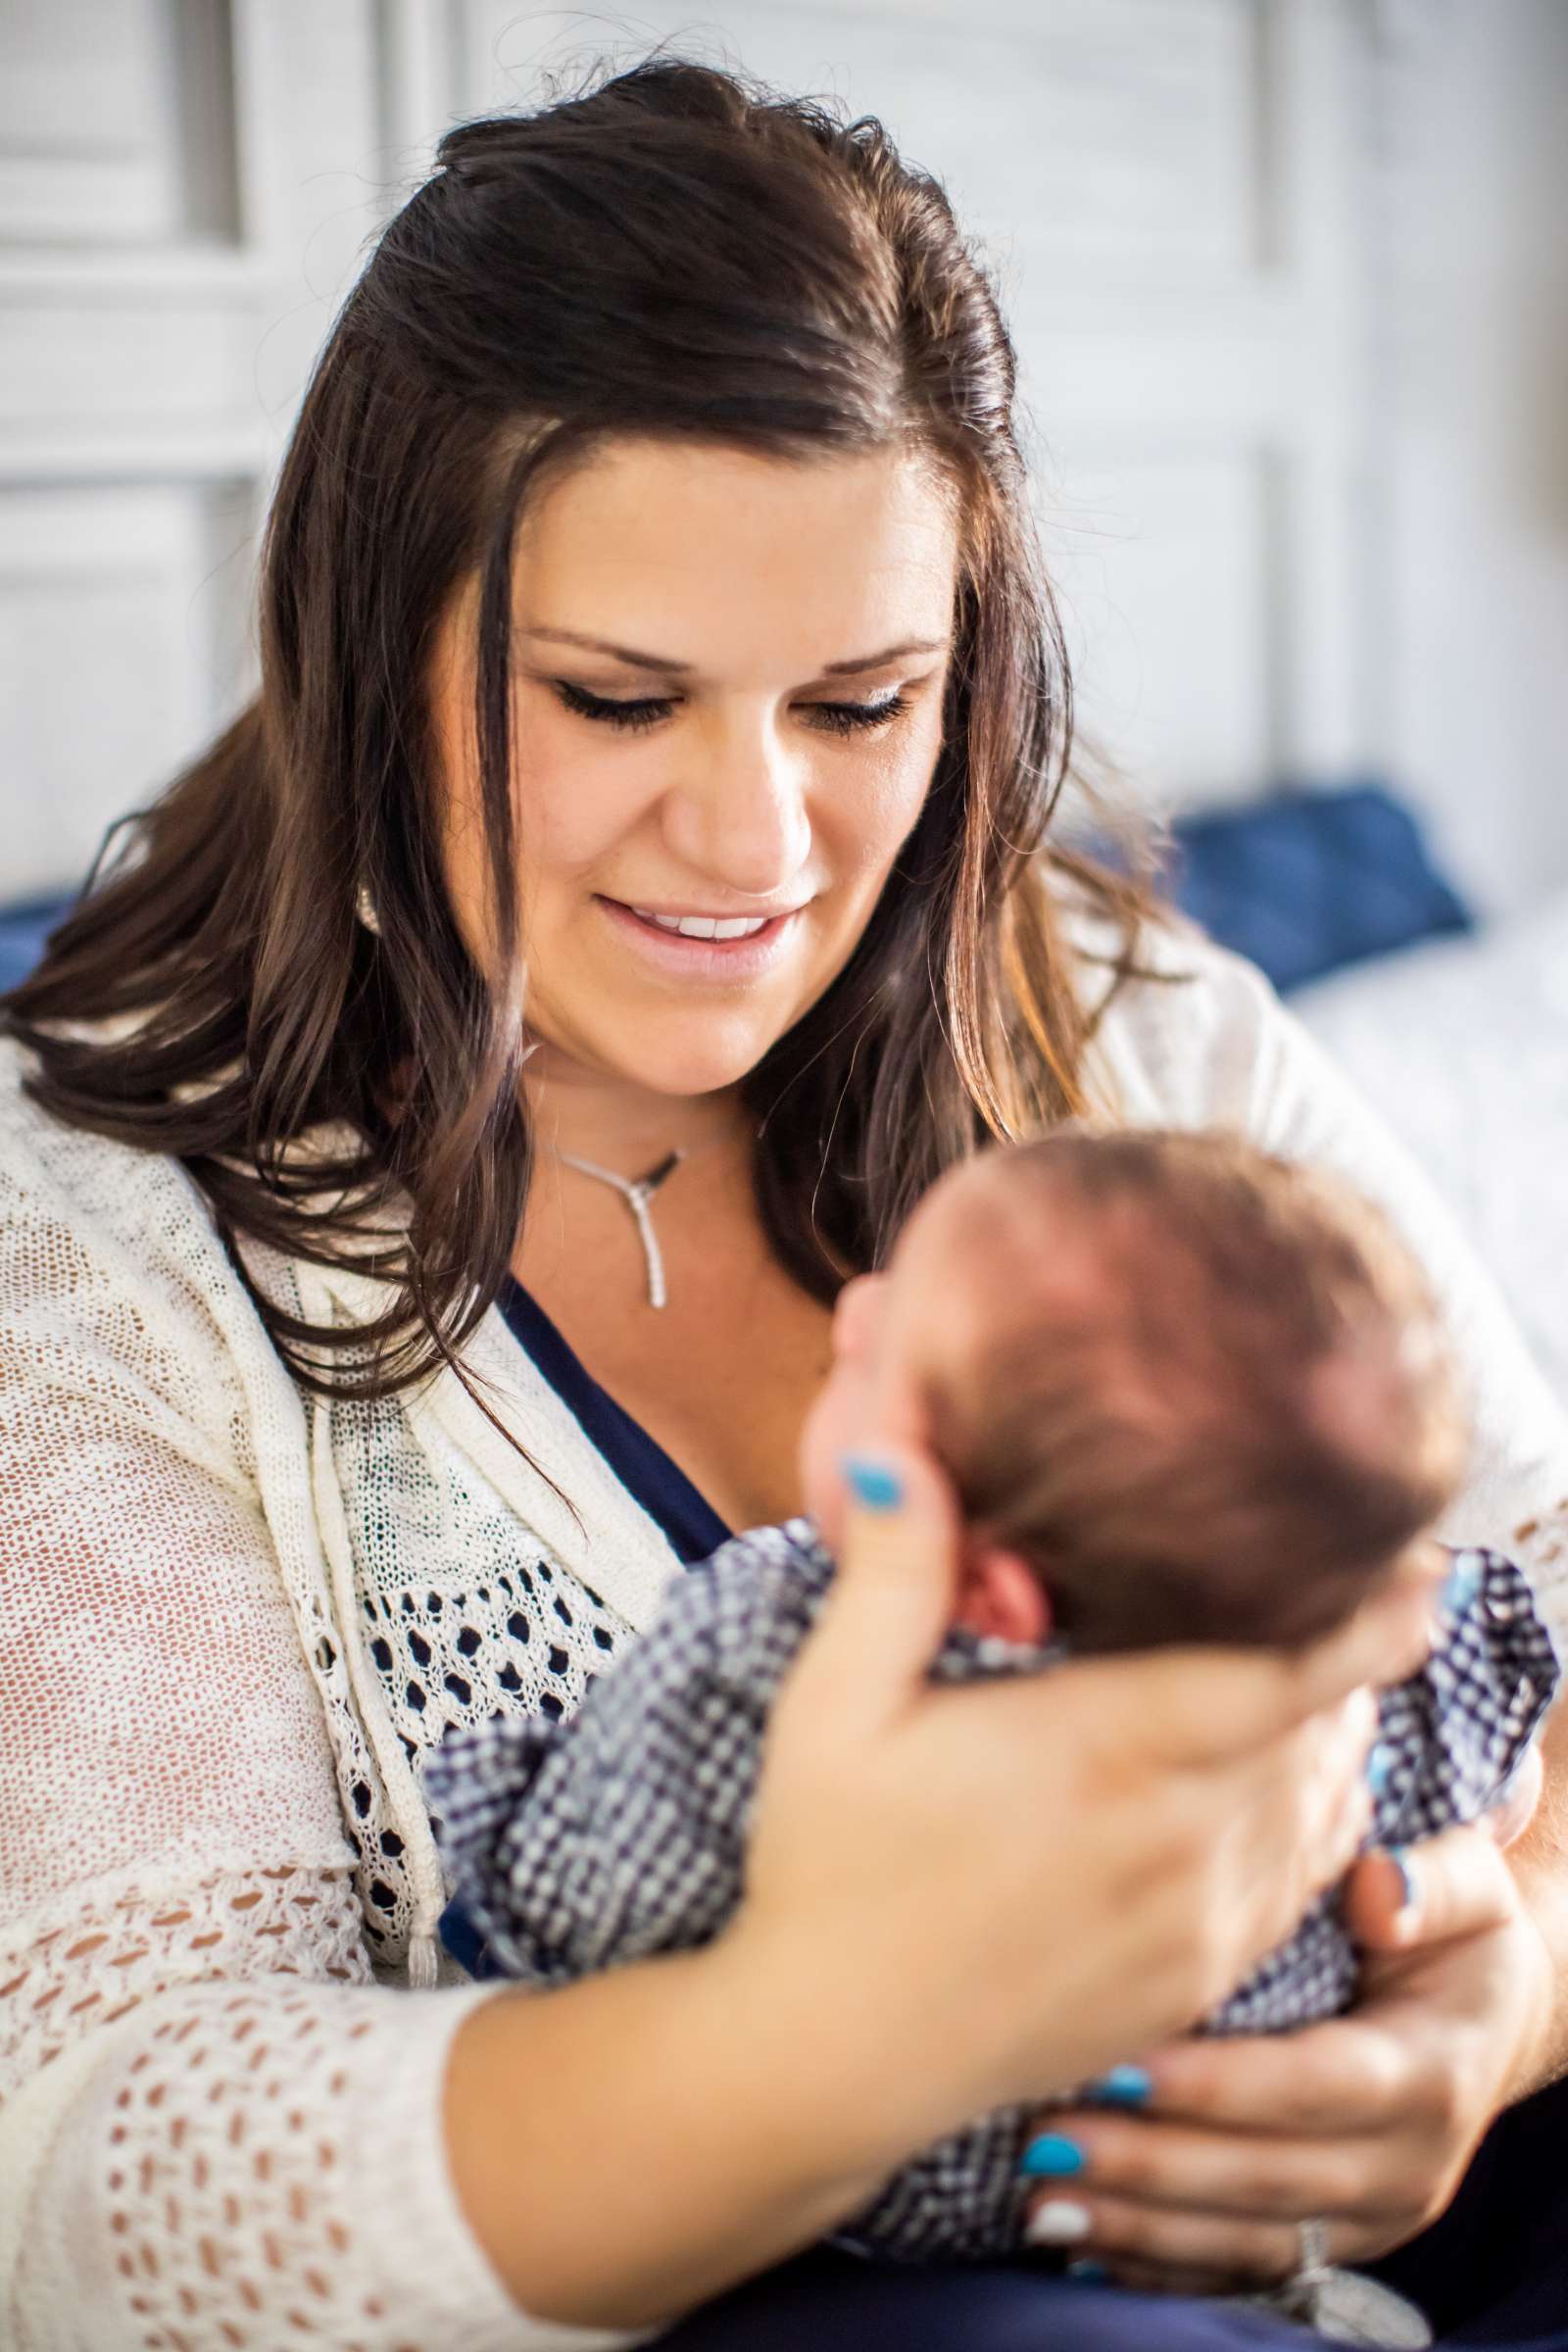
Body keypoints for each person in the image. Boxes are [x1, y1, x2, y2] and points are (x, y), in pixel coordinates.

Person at [2, 55, 1566, 2352]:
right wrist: (850, 2035)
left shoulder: (1135, 1028)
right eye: (618, 696)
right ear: (367, 657)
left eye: (858, 702)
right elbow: (96, 2185)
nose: (750, 851)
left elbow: (1528, 1585)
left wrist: (1496, 1999)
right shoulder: (100, 1246)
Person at [422, 1129, 1557, 2339]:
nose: (853, 1306)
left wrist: (1516, 1996)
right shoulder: (1386, 1653)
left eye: (890, 1352)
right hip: (1204, 2238)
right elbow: (1506, 1785)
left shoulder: (766, 1658)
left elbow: (578, 1909)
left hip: (878, 2243)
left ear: (988, 1599)